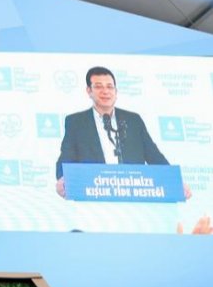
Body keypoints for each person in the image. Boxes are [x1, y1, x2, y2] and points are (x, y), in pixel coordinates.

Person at [55, 66, 187, 199]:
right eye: (99, 87)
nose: (105, 91)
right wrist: (62, 178)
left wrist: (175, 182)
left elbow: (154, 156)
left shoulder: (133, 120)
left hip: (133, 196)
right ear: (89, 91)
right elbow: (66, 156)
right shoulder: (76, 122)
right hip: (95, 195)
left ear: (116, 91)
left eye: (110, 87)